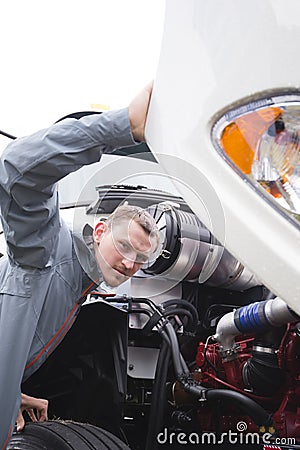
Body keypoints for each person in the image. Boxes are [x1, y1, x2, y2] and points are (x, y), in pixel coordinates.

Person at [0, 83, 159, 448]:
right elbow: (18, 169)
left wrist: (13, 395)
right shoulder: (46, 249)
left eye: (141, 258)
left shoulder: (78, 285)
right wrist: (123, 126)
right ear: (99, 230)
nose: (129, 262)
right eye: (123, 245)